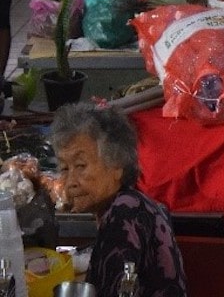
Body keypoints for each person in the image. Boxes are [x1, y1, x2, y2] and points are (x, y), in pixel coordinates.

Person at [50, 104, 187, 297]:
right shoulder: (134, 204)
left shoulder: (123, 215)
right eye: (64, 168)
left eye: (80, 165)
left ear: (117, 165)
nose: (70, 182)